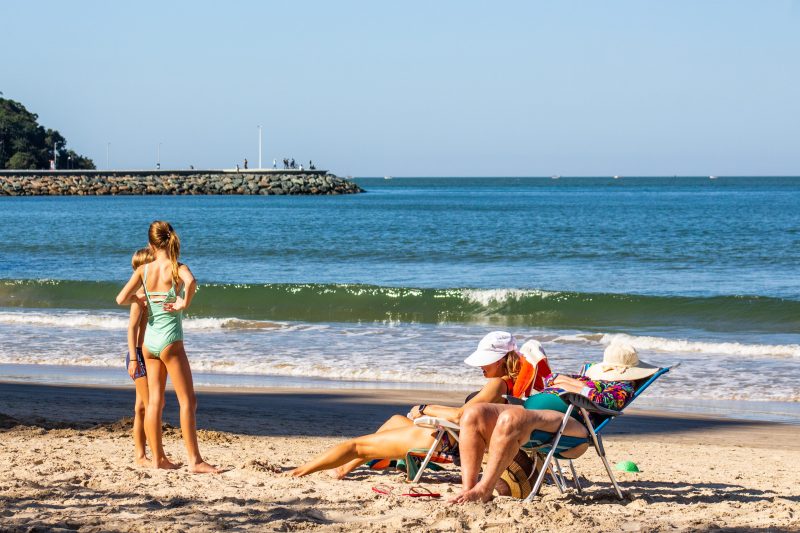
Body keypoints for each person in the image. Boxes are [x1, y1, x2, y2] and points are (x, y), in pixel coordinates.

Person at [289, 332, 548, 479]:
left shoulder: (498, 385)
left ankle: (297, 472)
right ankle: (344, 468)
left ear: (502, 360)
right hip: (452, 436)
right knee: (393, 421)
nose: (481, 366)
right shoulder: (511, 386)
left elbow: (461, 416)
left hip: (446, 440)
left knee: (355, 444)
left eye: (486, 361)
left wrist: (426, 408)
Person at [450, 342, 657, 503]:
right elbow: (551, 379)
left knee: (511, 418)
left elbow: (605, 401)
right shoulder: (590, 378)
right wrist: (574, 383)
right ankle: (469, 489)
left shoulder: (622, 386)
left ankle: (484, 489)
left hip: (573, 425)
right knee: (474, 414)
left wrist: (573, 385)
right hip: (532, 413)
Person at [116, 221, 220, 474]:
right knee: (188, 401)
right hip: (170, 340)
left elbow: (120, 298)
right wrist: (184, 302)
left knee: (155, 402)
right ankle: (195, 461)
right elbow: (192, 282)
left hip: (148, 343)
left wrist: (139, 297)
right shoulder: (176, 267)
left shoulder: (143, 270)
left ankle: (158, 458)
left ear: (152, 245)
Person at [126, 247, 154, 467]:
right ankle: (148, 454)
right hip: (137, 356)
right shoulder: (139, 299)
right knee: (148, 404)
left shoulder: (151, 296)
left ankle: (143, 455)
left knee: (141, 408)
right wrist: (134, 359)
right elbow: (131, 329)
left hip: (146, 354)